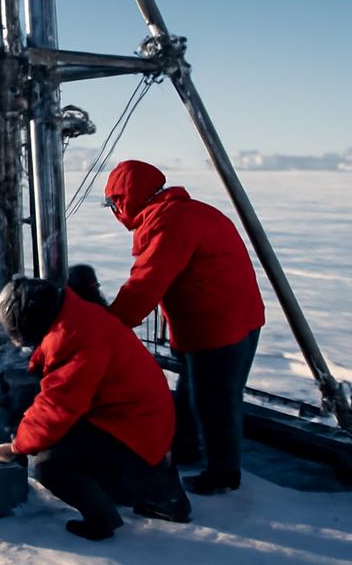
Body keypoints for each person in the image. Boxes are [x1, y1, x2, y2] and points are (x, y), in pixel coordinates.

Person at [103, 159, 265, 495]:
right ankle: (187, 448)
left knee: (214, 402)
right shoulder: (190, 212)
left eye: (116, 202)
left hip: (216, 328)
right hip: (240, 319)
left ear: (129, 197)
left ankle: (223, 474)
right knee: (197, 392)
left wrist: (108, 327)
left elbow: (146, 283)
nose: (116, 211)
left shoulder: (169, 224)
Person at [0, 278, 191, 541]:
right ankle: (160, 488)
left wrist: (17, 447)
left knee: (50, 465)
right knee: (63, 439)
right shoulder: (77, 315)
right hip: (144, 420)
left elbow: (57, 407)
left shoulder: (73, 338)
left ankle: (103, 519)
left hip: (135, 429)